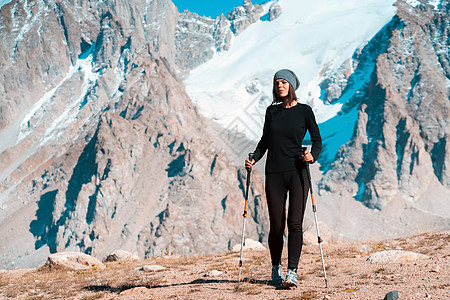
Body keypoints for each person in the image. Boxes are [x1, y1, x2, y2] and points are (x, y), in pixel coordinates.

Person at [245, 69, 322, 288]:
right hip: (274, 173)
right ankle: (276, 267)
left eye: (284, 82)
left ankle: (292, 272)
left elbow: (317, 140)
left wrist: (312, 156)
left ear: (292, 85)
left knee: (294, 223)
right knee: (277, 225)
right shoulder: (272, 112)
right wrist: (254, 158)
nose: (280, 86)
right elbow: (265, 142)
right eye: (277, 82)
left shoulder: (305, 111)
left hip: (298, 172)